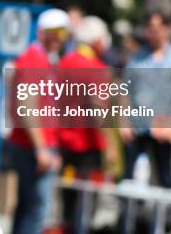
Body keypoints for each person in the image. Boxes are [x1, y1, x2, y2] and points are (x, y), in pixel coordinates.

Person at [6, 8, 68, 234]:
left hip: (33, 144)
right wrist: (42, 148)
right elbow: (27, 107)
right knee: (36, 209)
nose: (61, 38)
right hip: (31, 146)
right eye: (58, 32)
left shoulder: (43, 59)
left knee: (28, 207)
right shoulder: (34, 58)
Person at [120, 11, 171, 188]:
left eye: (158, 28)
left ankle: (167, 215)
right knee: (130, 175)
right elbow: (125, 91)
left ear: (167, 29)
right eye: (150, 29)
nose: (154, 33)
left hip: (164, 126)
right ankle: (130, 214)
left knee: (164, 175)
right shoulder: (136, 58)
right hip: (138, 125)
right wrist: (123, 122)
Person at [57, 16, 112, 233]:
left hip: (65, 143)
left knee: (67, 200)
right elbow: (97, 108)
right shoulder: (96, 68)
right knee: (87, 202)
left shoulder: (65, 62)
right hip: (89, 147)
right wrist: (109, 144)